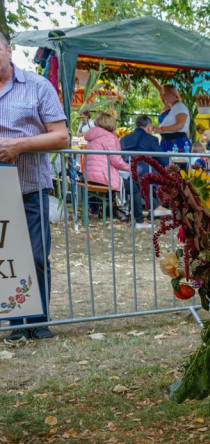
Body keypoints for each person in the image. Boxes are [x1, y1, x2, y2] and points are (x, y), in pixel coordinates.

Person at [0, 30, 69, 341]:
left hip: (30, 186)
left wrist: (19, 145)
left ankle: (38, 320)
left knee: (37, 256)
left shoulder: (38, 86)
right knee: (7, 258)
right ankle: (16, 324)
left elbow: (61, 137)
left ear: (9, 50)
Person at [120, 114, 166, 229]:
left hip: (124, 174)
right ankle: (156, 208)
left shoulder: (124, 139)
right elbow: (163, 159)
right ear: (149, 127)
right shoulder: (151, 139)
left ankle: (154, 208)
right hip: (142, 175)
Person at [83, 112, 131, 219]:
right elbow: (116, 160)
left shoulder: (93, 136)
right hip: (103, 177)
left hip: (90, 177)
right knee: (133, 186)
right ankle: (123, 210)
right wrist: (130, 168)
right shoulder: (109, 137)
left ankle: (104, 209)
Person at [155, 85, 191, 162]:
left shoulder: (180, 107)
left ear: (174, 93)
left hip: (177, 141)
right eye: (163, 95)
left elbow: (180, 125)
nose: (164, 96)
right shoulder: (170, 108)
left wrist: (162, 129)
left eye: (166, 94)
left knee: (177, 168)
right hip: (167, 141)